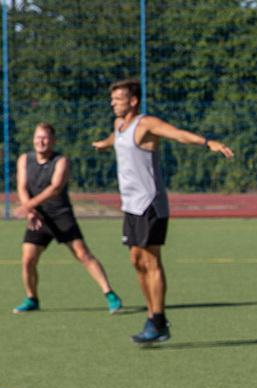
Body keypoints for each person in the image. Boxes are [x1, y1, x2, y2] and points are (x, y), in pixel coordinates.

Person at [92, 78, 233, 344]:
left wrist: (208, 142)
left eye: (118, 98)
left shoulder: (146, 124)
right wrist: (105, 143)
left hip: (150, 203)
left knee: (151, 260)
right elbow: (116, 137)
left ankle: (158, 319)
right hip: (130, 206)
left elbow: (177, 134)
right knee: (136, 260)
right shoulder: (118, 124)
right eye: (112, 99)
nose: (113, 102)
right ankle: (152, 316)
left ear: (133, 101)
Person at [13, 122, 122, 315]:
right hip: (38, 217)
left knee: (82, 254)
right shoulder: (24, 159)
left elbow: (55, 188)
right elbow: (22, 187)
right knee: (28, 259)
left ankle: (110, 294)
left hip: (60, 214)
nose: (41, 141)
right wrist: (30, 211)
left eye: (45, 137)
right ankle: (32, 299)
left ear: (53, 141)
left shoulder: (61, 160)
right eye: (38, 137)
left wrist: (28, 206)